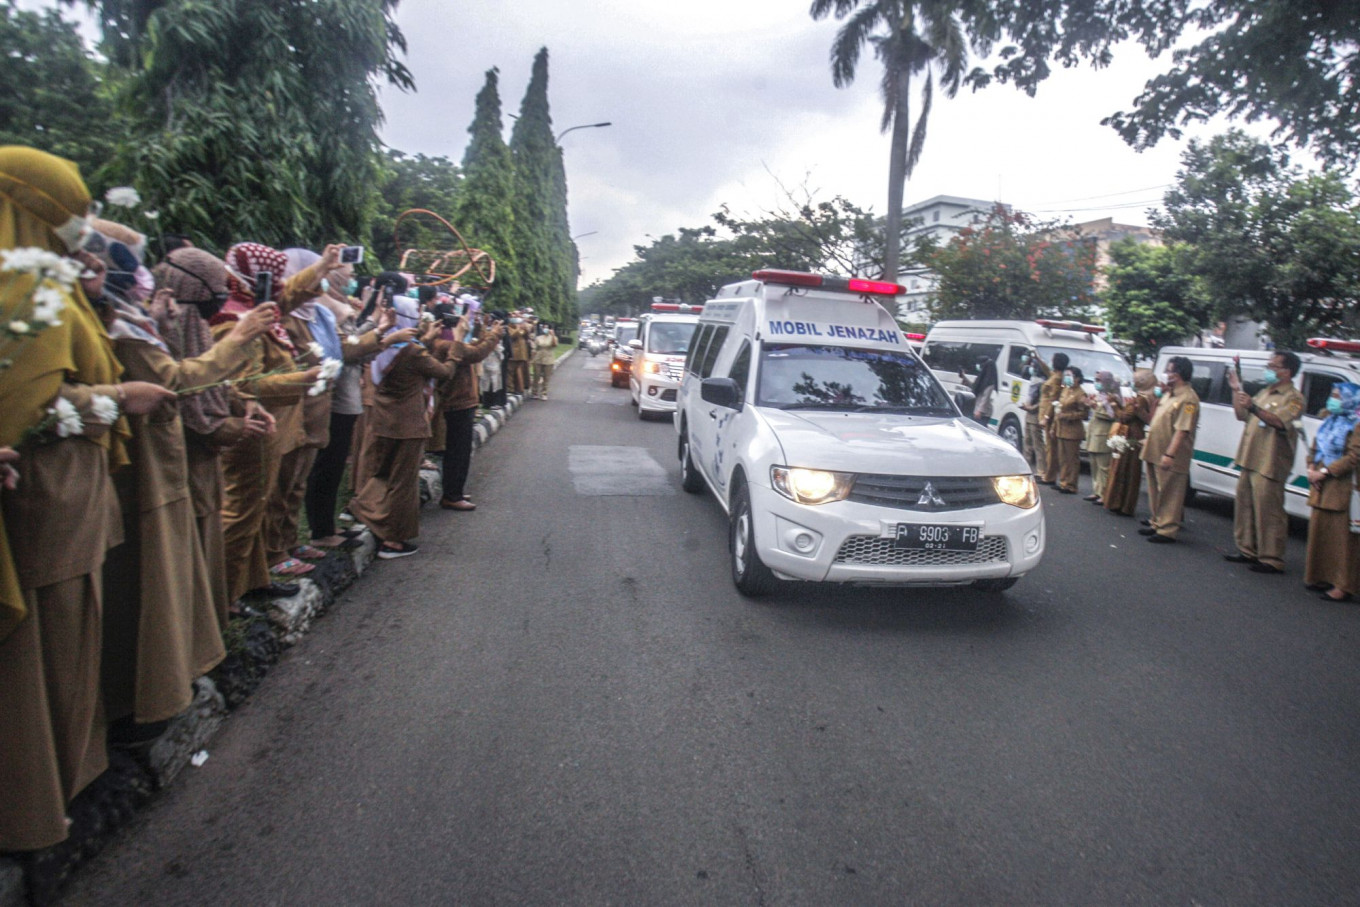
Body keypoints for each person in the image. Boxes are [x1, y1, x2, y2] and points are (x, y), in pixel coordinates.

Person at [0, 145, 175, 852]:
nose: (85, 229)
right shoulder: (26, 289)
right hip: (44, 500)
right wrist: (118, 398)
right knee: (41, 658)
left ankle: (69, 780)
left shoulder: (50, 285)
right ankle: (37, 806)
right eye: (73, 214)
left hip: (74, 495)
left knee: (72, 650)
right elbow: (28, 406)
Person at [152, 247, 276, 625]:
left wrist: (241, 404)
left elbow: (217, 385)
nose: (223, 297)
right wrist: (233, 424)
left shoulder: (194, 325)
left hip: (202, 470)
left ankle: (212, 616)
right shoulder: (163, 328)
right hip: (175, 469)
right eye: (216, 290)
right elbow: (185, 389)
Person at [350, 297, 458, 558]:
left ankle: (367, 511)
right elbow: (443, 372)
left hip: (385, 417)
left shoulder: (382, 345)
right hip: (408, 423)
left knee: (382, 473)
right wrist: (457, 351)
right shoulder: (413, 350)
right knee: (403, 483)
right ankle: (394, 540)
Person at [1223, 351, 1306, 574]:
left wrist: (1253, 407)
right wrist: (1236, 389)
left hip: (1271, 462)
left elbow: (1280, 422)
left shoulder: (1294, 398)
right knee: (1245, 506)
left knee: (1269, 511)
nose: (1268, 369)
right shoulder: (1264, 392)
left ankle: (1271, 557)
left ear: (1286, 371)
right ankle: (1247, 549)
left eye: (1272, 365)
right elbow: (1242, 415)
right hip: (1250, 457)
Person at [434, 313, 505, 510]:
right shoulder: (446, 344)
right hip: (456, 403)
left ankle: (454, 491)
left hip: (460, 402)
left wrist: (484, 331)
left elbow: (473, 348)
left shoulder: (449, 342)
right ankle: (452, 495)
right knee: (458, 451)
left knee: (459, 451)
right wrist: (494, 336)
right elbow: (476, 353)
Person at [1304, 383, 1360, 601]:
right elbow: (1315, 448)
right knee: (1321, 532)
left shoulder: (1356, 426)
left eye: (1337, 396)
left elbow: (1354, 457)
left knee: (1344, 540)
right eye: (1332, 395)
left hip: (1343, 487)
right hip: (1321, 485)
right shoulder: (1329, 421)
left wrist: (1325, 472)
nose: (1332, 400)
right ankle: (1321, 576)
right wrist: (1311, 469)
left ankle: (1343, 586)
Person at [1139, 356, 1201, 543]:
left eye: (1169, 371)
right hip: (1154, 450)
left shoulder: (1188, 399)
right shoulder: (1169, 394)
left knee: (1170, 492)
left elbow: (1182, 430)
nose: (1166, 375)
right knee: (1156, 490)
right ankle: (1157, 522)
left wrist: (1169, 454)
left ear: (1178, 374)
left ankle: (1167, 529)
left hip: (1170, 454)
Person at [1104, 369, 1158, 516]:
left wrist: (1114, 405)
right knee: (1129, 470)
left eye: (1136, 380)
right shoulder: (1146, 397)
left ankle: (1121, 503)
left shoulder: (1141, 399)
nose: (1134, 383)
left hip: (1131, 434)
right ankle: (1122, 503)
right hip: (1134, 433)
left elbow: (1124, 417)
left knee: (1125, 470)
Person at [1053, 366, 1090, 494]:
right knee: (1062, 458)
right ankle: (1063, 482)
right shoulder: (1066, 390)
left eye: (1070, 376)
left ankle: (1071, 484)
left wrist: (1067, 416)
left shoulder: (1081, 393)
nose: (1067, 378)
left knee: (1072, 459)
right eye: (1066, 375)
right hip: (1061, 428)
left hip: (1073, 431)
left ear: (1077, 378)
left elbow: (1084, 414)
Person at [1084, 370, 1120, 504]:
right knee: (1094, 465)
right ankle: (1096, 491)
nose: (1097, 382)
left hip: (1103, 435)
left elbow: (1113, 415)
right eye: (1096, 379)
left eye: (1099, 380)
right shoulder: (1100, 395)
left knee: (1104, 467)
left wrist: (1095, 407)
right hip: (1093, 434)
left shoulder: (1114, 396)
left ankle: (1105, 493)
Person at [1037, 352, 1069, 485]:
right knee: (1048, 446)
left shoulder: (1057, 379)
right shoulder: (1055, 376)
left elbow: (1053, 399)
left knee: (1051, 447)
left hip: (1049, 415)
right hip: (1045, 413)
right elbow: (1047, 370)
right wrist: (1038, 359)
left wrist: (1046, 416)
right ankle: (1047, 473)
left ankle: (1049, 476)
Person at [1019, 353, 1051, 476]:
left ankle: (1041, 470)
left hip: (1036, 415)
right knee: (1027, 442)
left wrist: (1031, 407)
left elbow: (1043, 402)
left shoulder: (1043, 383)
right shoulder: (1034, 380)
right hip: (1029, 414)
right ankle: (1025, 468)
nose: (1031, 368)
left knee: (1038, 444)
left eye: (1033, 366)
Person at [963, 355, 998, 426]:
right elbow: (975, 386)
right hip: (976, 409)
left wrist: (979, 411)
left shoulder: (990, 383)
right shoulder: (981, 378)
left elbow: (985, 397)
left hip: (983, 413)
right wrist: (964, 377)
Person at [530, 319, 558, 400]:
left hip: (548, 359)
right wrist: (532, 359)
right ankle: (534, 392)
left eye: (547, 328)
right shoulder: (539, 338)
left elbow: (554, 345)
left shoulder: (553, 338)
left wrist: (552, 335)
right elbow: (534, 348)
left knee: (546, 377)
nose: (545, 329)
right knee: (536, 376)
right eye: (544, 327)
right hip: (538, 358)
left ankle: (544, 393)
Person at [506, 313, 531, 396]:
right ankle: (510, 389)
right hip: (513, 353)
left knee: (518, 372)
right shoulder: (508, 327)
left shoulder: (521, 327)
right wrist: (517, 328)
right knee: (510, 372)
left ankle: (518, 388)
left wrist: (525, 328)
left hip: (521, 354)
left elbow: (526, 336)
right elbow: (512, 336)